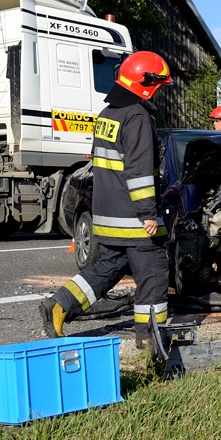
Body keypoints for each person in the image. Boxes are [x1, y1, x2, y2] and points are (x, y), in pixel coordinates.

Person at [39, 51, 173, 357]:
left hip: (107, 215)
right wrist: (148, 214)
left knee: (107, 268)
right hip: (134, 219)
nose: (159, 91)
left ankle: (60, 305)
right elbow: (139, 173)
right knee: (152, 274)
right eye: (159, 85)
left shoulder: (108, 115)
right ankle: (150, 342)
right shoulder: (137, 117)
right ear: (146, 83)